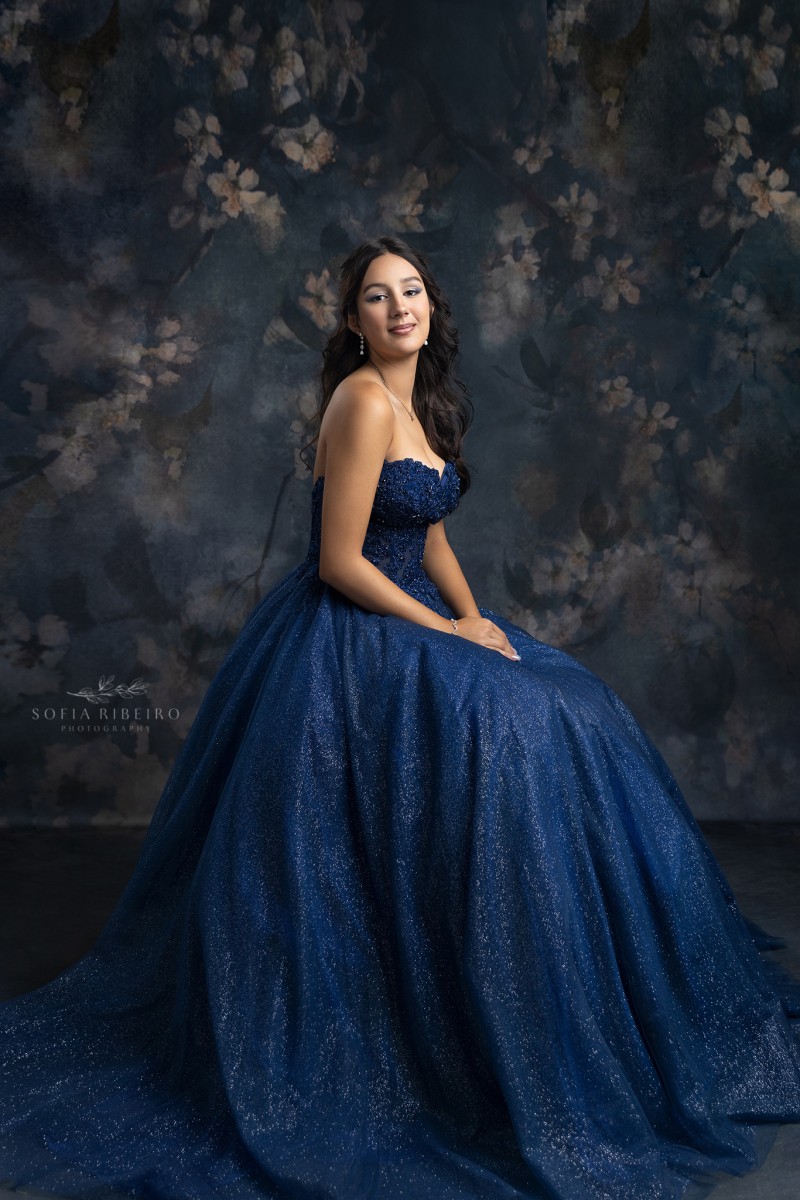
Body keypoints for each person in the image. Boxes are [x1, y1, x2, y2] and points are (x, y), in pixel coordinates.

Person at [0, 234, 798, 1200]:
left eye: (411, 290)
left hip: (420, 614)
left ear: (431, 305)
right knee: (506, 724)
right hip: (354, 633)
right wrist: (446, 637)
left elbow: (429, 533)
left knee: (575, 706)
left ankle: (593, 987)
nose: (398, 308)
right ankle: (476, 1013)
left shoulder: (423, 404)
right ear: (352, 322)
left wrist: (473, 617)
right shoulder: (359, 401)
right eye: (376, 298)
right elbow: (343, 562)